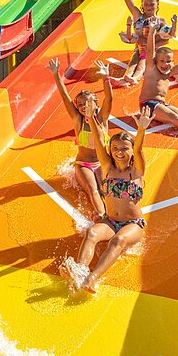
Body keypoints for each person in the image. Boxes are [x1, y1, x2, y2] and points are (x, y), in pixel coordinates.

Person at [59, 103, 152, 294]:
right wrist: (91, 118)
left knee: (117, 241)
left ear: (131, 151)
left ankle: (92, 278)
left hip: (132, 224)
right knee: (92, 233)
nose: (119, 152)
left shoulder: (136, 171)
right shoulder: (107, 168)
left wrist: (141, 129)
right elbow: (99, 140)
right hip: (110, 221)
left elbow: (139, 150)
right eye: (115, 148)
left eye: (124, 148)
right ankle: (79, 270)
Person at [47, 57, 114, 223]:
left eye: (88, 103)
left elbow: (109, 98)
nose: (84, 107)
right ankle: (102, 217)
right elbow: (65, 97)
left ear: (96, 104)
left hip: (102, 163)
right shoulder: (78, 120)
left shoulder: (102, 118)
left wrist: (106, 78)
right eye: (81, 105)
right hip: (84, 164)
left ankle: (115, 214)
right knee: (93, 189)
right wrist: (56, 74)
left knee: (105, 189)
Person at [117, 0, 176, 86]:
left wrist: (152, 47)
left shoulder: (160, 21)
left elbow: (166, 40)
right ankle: (125, 78)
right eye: (146, 4)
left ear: (157, 5)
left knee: (143, 63)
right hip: (140, 49)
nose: (149, 6)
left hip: (154, 50)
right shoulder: (138, 16)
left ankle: (135, 77)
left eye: (152, 4)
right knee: (134, 61)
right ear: (142, 6)